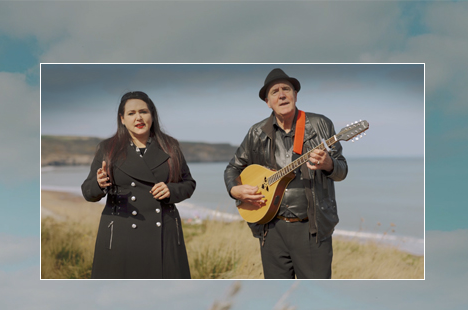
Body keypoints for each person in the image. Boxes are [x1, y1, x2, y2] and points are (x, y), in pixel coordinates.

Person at [224, 67, 349, 279]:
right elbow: (233, 168)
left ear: (295, 95)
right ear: (267, 101)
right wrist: (235, 190)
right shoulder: (257, 132)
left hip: (311, 229)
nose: (281, 95)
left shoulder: (320, 125)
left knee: (315, 294)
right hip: (270, 228)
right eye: (275, 92)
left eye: (286, 89)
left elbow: (341, 171)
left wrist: (328, 164)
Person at [81, 91, 196, 279]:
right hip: (120, 233)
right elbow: (87, 191)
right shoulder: (108, 148)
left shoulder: (170, 146)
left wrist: (171, 190)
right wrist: (99, 183)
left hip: (164, 232)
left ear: (152, 115)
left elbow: (189, 183)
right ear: (122, 119)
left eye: (143, 111)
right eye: (131, 113)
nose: (138, 118)